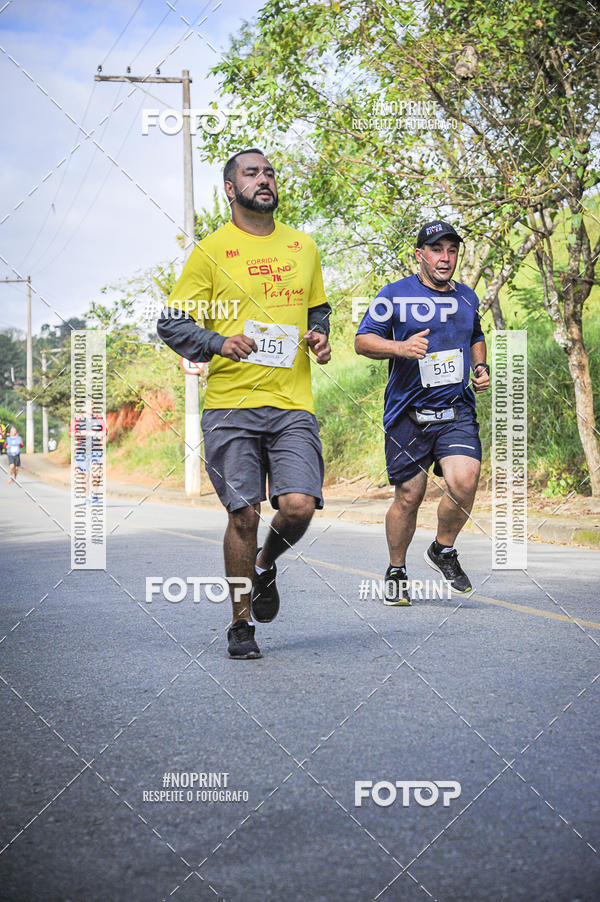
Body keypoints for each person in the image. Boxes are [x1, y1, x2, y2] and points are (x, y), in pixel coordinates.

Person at [157, 149, 332, 659]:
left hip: (292, 402)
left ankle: (264, 565)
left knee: (298, 507)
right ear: (230, 190)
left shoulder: (304, 246)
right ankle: (239, 625)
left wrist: (319, 337)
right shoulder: (211, 252)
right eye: (251, 173)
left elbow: (317, 308)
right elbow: (173, 322)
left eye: (270, 172)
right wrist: (217, 342)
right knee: (243, 515)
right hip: (231, 406)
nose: (264, 179)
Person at [355, 220, 489, 604]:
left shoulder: (466, 297)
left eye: (451, 250)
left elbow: (476, 336)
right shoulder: (393, 295)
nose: (445, 258)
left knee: (465, 479)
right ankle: (396, 570)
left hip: (455, 407)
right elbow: (362, 341)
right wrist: (400, 348)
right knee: (409, 496)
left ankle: (442, 549)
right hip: (408, 412)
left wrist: (480, 368)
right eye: (436, 250)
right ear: (419, 255)